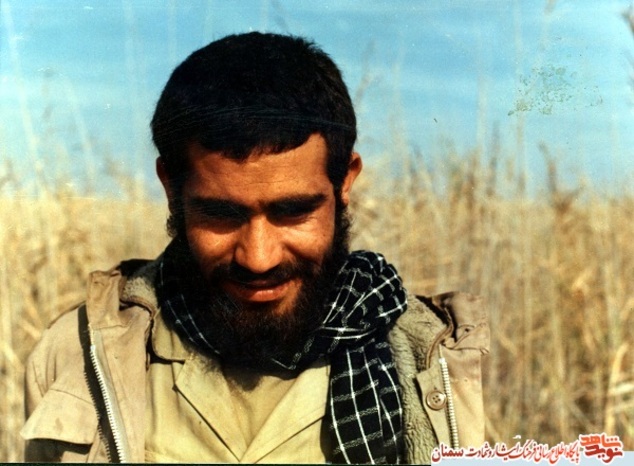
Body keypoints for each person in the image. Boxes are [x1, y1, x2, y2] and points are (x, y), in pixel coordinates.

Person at [21, 32, 489, 464]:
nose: (258, 258)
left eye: (293, 212)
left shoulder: (441, 365)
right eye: (222, 215)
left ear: (344, 182)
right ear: (171, 189)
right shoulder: (75, 357)